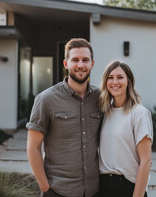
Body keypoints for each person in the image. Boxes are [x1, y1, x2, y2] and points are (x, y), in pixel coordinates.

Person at [26, 38, 103, 197]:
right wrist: (45, 187)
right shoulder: (46, 99)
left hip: (94, 191)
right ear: (66, 63)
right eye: (75, 60)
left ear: (92, 64)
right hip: (58, 191)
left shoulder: (101, 98)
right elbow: (33, 147)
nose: (80, 65)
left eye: (85, 60)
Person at [99, 60, 153, 197]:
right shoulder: (104, 113)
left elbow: (146, 161)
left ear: (129, 81)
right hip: (103, 185)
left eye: (120, 77)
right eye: (110, 78)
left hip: (127, 187)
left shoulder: (139, 113)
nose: (115, 82)